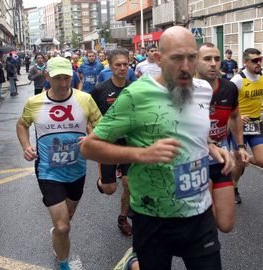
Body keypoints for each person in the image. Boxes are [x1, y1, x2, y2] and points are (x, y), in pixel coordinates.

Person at [80, 26, 233, 270]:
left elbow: (189, 130)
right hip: (153, 218)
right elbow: (88, 147)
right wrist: (141, 154)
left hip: (199, 215)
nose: (186, 66)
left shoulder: (203, 90)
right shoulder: (136, 95)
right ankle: (134, 261)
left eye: (191, 57)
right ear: (159, 60)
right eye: (177, 58)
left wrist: (213, 147)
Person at [16, 56, 101, 270]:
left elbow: (101, 125)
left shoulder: (84, 99)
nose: (63, 83)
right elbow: (21, 125)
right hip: (48, 171)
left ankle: (57, 233)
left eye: (67, 78)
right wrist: (26, 145)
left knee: (67, 219)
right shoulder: (34, 103)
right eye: (58, 78)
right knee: (63, 227)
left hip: (77, 170)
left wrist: (93, 136)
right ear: (47, 76)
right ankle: (64, 264)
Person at [195, 42, 250, 232]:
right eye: (207, 59)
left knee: (226, 225)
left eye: (217, 59)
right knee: (206, 226)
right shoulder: (185, 90)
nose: (213, 63)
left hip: (221, 161)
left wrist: (241, 146)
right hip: (195, 162)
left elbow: (235, 116)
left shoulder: (229, 88)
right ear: (195, 61)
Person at [91, 48, 133, 236]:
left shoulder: (135, 88)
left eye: (125, 64)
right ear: (110, 65)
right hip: (107, 145)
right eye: (118, 65)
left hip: (129, 143)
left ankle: (123, 218)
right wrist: (92, 136)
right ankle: (101, 182)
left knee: (128, 184)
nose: (122, 68)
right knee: (110, 189)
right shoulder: (100, 90)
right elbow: (89, 115)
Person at [230, 48, 263, 204]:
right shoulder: (237, 80)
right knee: (239, 164)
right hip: (238, 126)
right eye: (255, 61)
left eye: (260, 60)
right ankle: (234, 188)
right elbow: (225, 102)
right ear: (245, 62)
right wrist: (237, 116)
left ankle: (242, 159)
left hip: (256, 124)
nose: (258, 63)